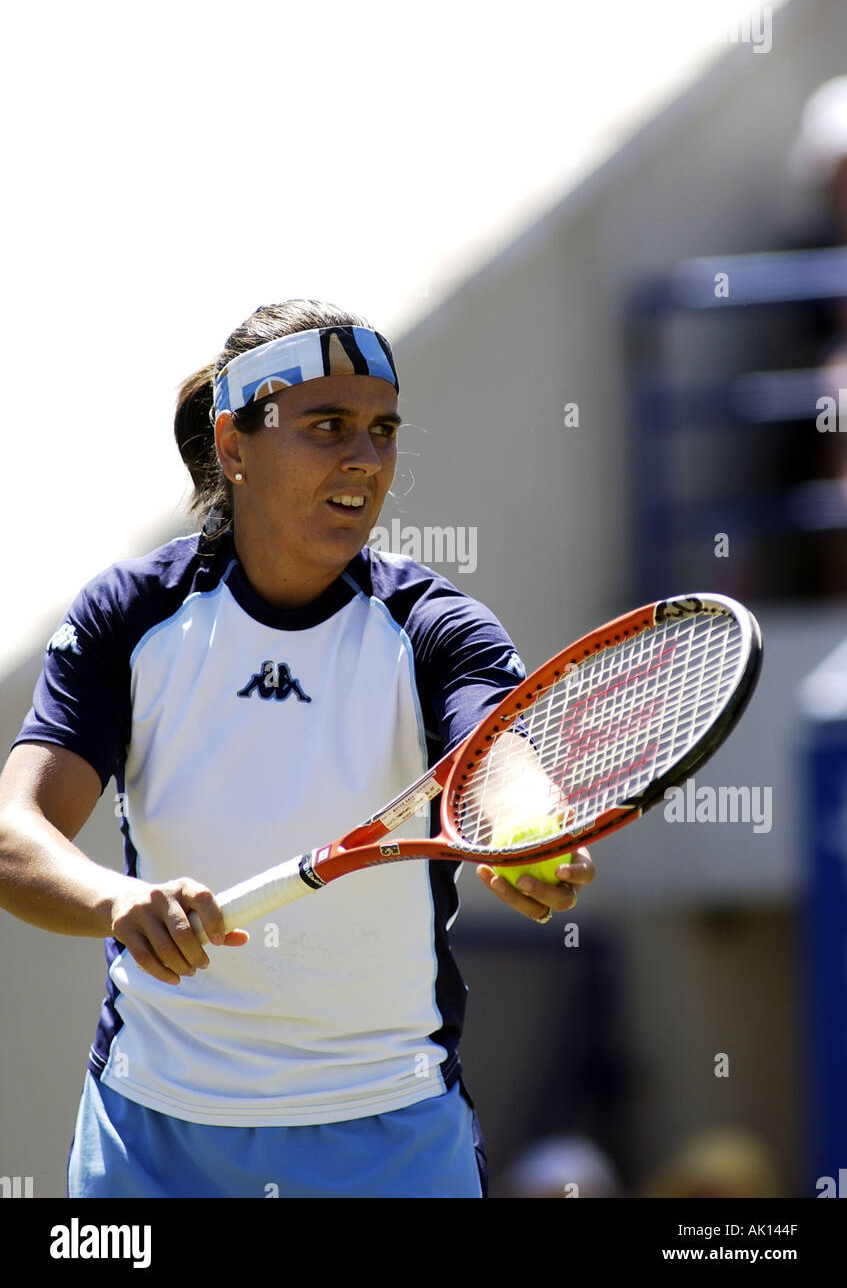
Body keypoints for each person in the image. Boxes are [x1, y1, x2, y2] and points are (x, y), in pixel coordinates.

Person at [0, 299, 594, 1198]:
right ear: (235, 447)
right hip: (151, 1142)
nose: (365, 458)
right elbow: (16, 835)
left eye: (382, 431)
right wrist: (119, 900)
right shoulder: (128, 615)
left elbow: (498, 758)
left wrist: (522, 832)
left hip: (392, 1139)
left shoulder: (435, 628)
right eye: (328, 427)